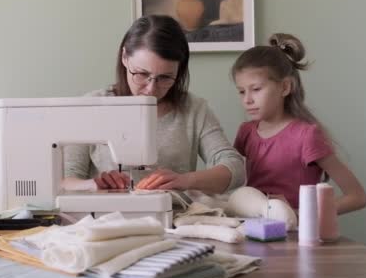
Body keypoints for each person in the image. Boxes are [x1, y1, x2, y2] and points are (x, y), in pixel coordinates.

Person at [64, 15, 245, 195]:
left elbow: (235, 168)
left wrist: (185, 180)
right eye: (142, 74)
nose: (151, 89)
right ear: (125, 57)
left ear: (179, 70)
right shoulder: (91, 107)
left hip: (173, 219)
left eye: (165, 78)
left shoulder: (194, 110)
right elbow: (65, 180)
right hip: (104, 218)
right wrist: (92, 184)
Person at [232, 33, 366, 214]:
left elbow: (357, 197)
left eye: (256, 89)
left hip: (297, 236)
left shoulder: (306, 135)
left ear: (285, 87)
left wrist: (296, 213)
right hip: (255, 232)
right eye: (241, 91)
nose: (247, 99)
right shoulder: (246, 132)